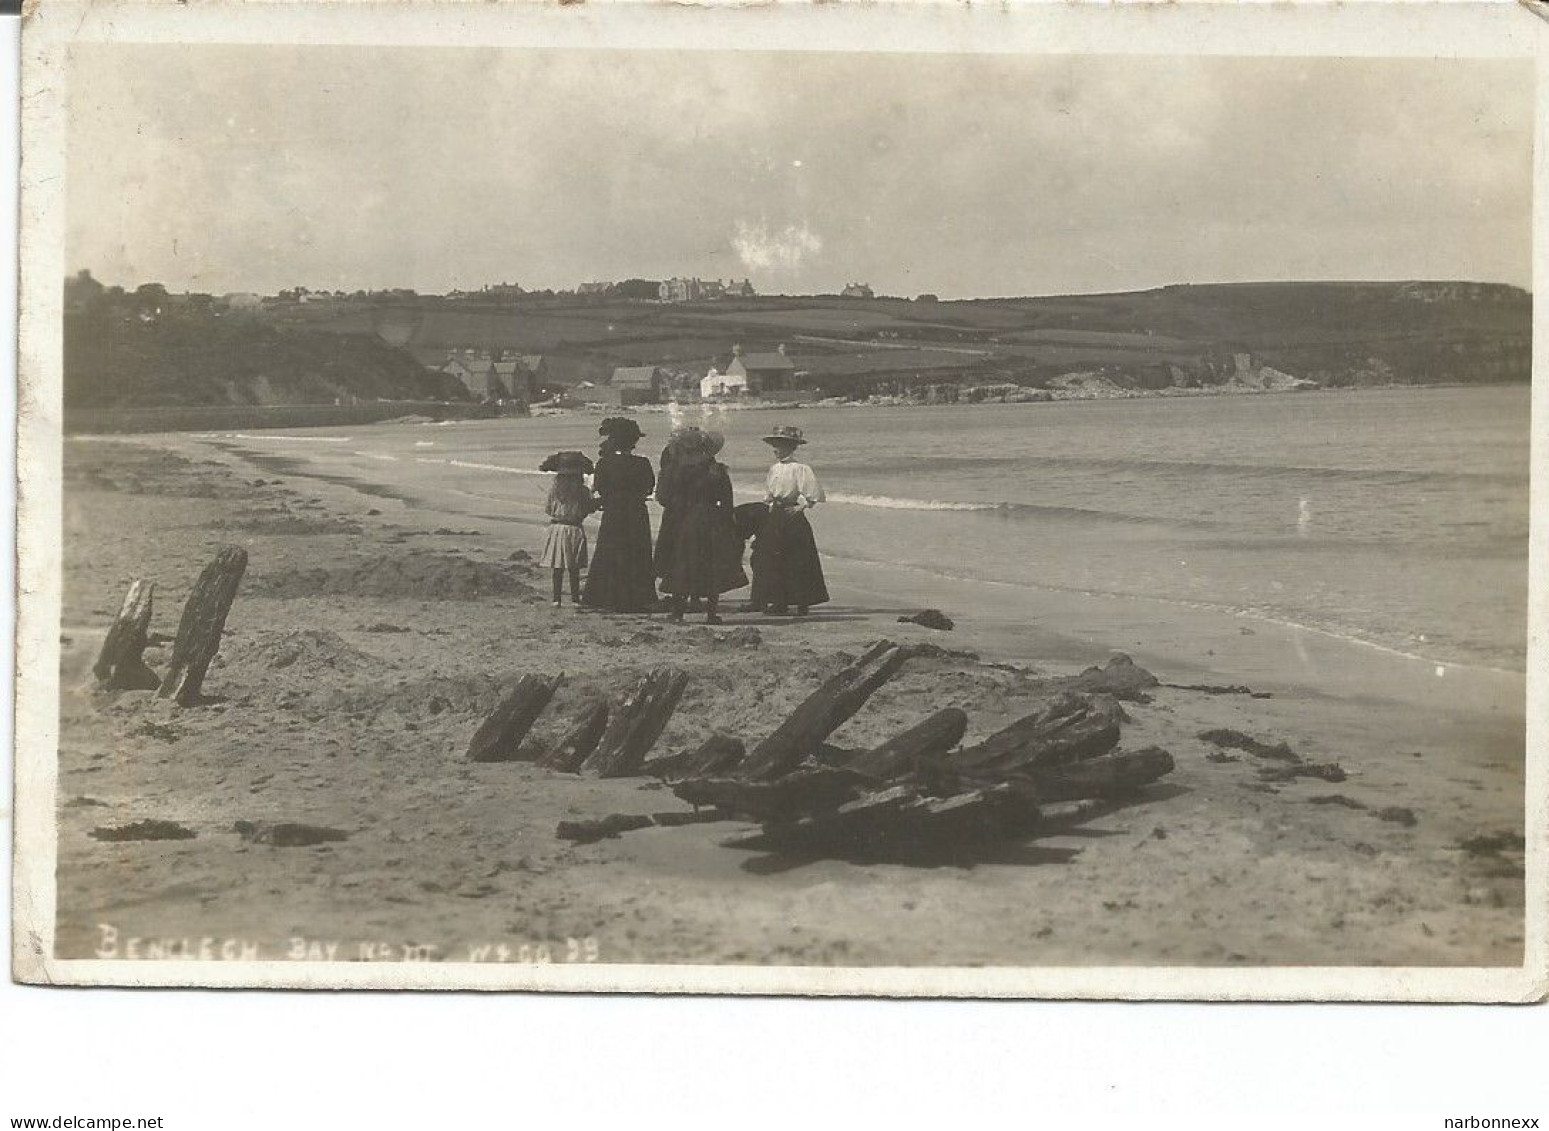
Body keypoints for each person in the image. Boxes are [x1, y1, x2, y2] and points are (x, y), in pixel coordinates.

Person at [655, 428, 746, 624]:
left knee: (682, 564)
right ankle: (712, 614)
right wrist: (726, 524)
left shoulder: (673, 471)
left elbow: (662, 498)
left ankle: (678, 613)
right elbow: (727, 503)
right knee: (712, 566)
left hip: (683, 521)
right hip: (712, 521)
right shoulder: (717, 471)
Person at [751, 424, 829, 616]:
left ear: (790, 447)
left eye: (780, 446)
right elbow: (769, 495)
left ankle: (802, 601)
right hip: (775, 514)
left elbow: (813, 495)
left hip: (792, 516)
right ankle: (779, 601)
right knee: (773, 558)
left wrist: (800, 507)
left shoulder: (800, 468)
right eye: (775, 446)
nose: (776, 450)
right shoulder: (773, 469)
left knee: (798, 559)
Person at [581, 417, 658, 613]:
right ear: (633, 441)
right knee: (637, 553)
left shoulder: (604, 463)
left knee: (611, 551)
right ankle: (637, 598)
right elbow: (648, 489)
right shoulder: (642, 463)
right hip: (636, 512)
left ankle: (607, 596)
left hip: (614, 511)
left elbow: (601, 489)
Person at [537, 450, 596, 608]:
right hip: (574, 528)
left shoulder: (554, 491)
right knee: (574, 567)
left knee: (557, 566)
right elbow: (588, 509)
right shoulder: (582, 491)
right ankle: (575, 599)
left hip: (556, 528)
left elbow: (548, 510)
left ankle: (556, 599)